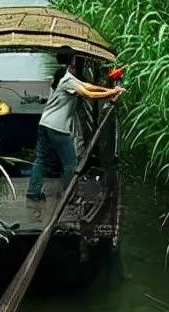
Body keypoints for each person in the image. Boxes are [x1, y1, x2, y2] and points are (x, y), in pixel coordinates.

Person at [26, 46, 124, 201]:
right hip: (57, 127)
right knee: (71, 163)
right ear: (72, 59)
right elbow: (89, 94)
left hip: (45, 123)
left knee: (41, 159)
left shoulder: (64, 76)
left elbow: (88, 86)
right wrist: (113, 92)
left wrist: (107, 89)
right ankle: (68, 195)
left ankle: (33, 191)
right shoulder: (67, 80)